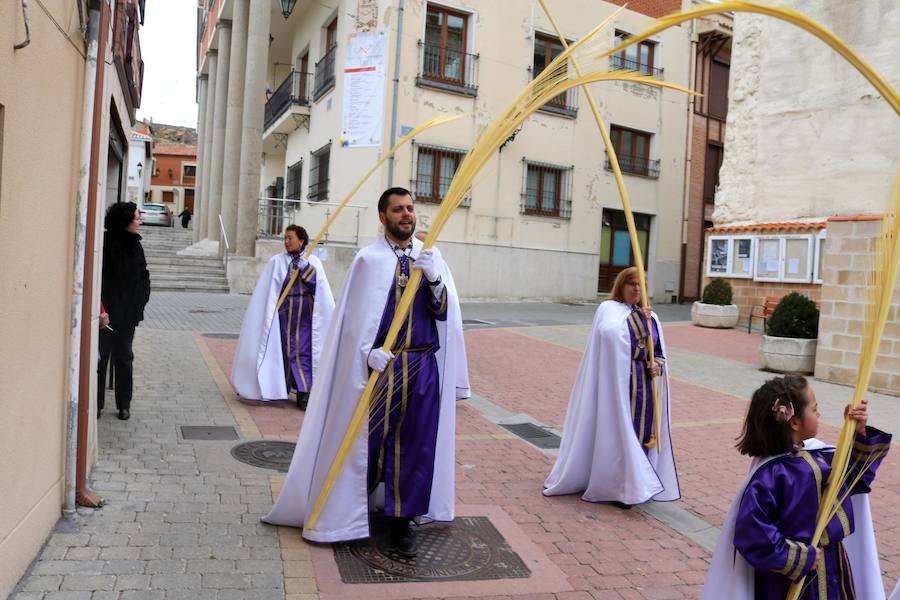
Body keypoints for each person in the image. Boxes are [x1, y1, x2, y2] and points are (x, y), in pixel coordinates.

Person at [263, 187, 469, 557]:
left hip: (420, 365)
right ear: (382, 217)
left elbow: (442, 315)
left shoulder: (430, 256)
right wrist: (366, 352)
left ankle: (402, 524)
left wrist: (436, 280)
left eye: (410, 209)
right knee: (367, 441)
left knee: (415, 447)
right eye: (398, 209)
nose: (407, 215)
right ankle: (351, 511)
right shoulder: (369, 260)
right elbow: (354, 321)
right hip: (381, 369)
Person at [701, 375, 891, 600]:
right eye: (815, 408)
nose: (819, 413)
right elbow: (752, 533)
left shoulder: (819, 457)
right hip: (791, 580)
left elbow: (854, 479)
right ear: (794, 422)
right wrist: (801, 557)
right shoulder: (771, 475)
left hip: (832, 565)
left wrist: (858, 432)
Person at [543, 266, 679, 508]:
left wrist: (657, 365)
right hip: (617, 385)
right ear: (622, 286)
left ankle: (638, 484)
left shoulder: (652, 317)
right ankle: (618, 486)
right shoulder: (608, 310)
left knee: (642, 436)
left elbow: (658, 353)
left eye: (641, 284)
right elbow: (611, 336)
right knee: (618, 433)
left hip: (645, 387)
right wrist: (638, 320)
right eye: (632, 284)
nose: (637, 289)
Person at [231, 225, 335, 410]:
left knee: (302, 351)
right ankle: (280, 388)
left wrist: (307, 270)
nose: (286, 242)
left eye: (290, 238)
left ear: (301, 240)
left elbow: (320, 288)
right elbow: (269, 290)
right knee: (284, 351)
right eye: (285, 239)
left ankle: (304, 392)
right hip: (283, 315)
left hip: (305, 316)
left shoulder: (313, 261)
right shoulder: (276, 262)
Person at [97, 201, 151, 421]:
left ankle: (124, 404)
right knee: (101, 358)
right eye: (137, 218)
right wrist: (101, 308)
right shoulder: (105, 243)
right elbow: (99, 279)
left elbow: (143, 275)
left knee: (124, 357)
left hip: (128, 314)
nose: (140, 221)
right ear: (125, 221)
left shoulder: (136, 244)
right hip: (105, 314)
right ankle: (97, 403)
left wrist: (141, 301)